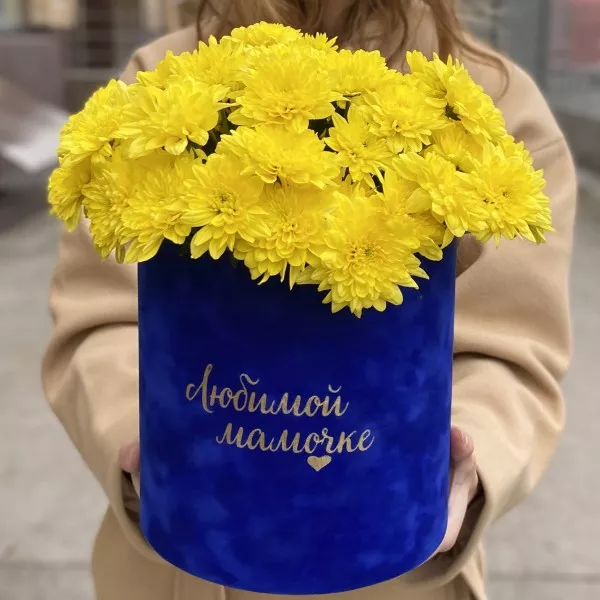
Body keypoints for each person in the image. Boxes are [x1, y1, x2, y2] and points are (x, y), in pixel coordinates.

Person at [41, 1, 576, 599]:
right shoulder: (159, 81)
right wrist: (139, 436)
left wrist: (470, 459)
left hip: (388, 564)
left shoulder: (493, 105)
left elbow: (514, 349)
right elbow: (98, 317)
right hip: (179, 561)